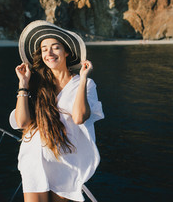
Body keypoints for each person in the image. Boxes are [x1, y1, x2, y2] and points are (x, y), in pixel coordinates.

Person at [9, 20, 104, 202]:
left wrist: (83, 78)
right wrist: (23, 84)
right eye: (44, 49)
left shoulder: (86, 84)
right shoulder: (37, 84)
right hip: (34, 157)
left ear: (67, 52)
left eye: (55, 47)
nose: (49, 53)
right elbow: (22, 123)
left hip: (65, 161)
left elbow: (79, 117)